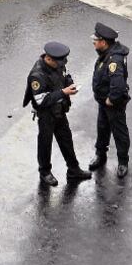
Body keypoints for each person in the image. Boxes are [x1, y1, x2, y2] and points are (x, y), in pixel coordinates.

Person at [23, 41, 92, 186]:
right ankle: (45, 173)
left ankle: (73, 170)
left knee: (66, 140)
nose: (61, 64)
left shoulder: (58, 63)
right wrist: (63, 92)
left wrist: (69, 83)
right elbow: (41, 100)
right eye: (58, 62)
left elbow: (64, 75)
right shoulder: (37, 75)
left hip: (60, 110)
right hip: (46, 115)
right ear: (48, 59)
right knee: (45, 144)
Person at [88, 22, 130, 178]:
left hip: (112, 104)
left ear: (103, 42)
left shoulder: (114, 61)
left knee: (119, 132)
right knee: (102, 128)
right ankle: (100, 155)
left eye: (95, 41)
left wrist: (111, 100)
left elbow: (118, 85)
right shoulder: (107, 53)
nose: (94, 43)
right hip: (103, 102)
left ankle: (123, 162)